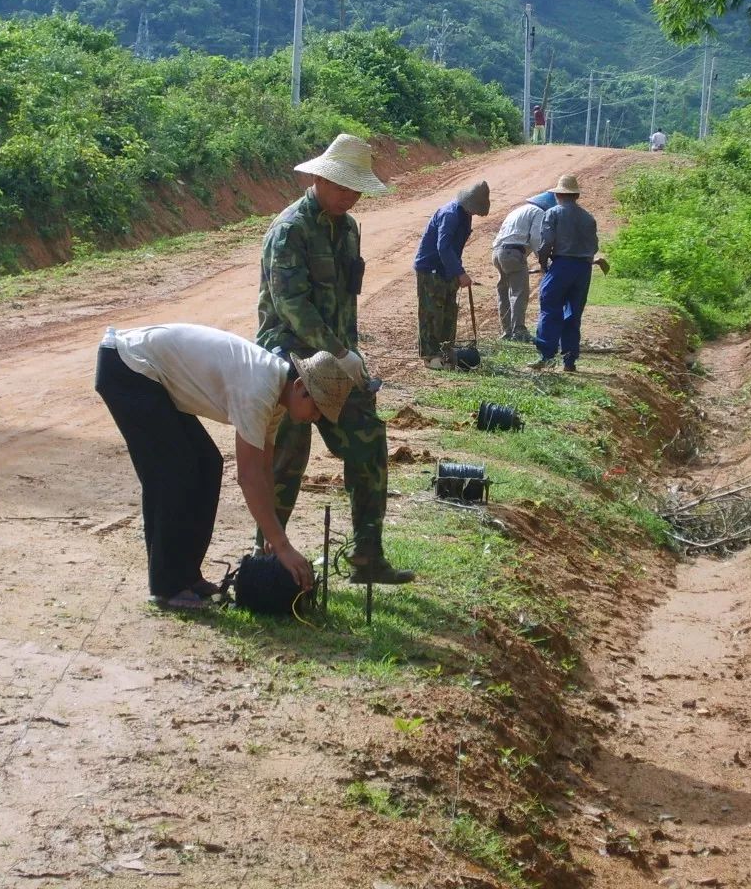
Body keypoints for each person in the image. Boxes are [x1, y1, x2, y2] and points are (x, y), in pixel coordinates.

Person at [96, 324, 352, 609]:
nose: (315, 418)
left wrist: (273, 533)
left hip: (145, 372)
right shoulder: (260, 388)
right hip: (128, 366)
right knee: (174, 472)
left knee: (207, 465)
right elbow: (248, 475)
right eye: (317, 409)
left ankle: (187, 578)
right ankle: (167, 587)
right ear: (301, 387)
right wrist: (282, 545)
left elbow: (265, 467)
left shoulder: (277, 398)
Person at [256, 134, 413, 585]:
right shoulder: (290, 231)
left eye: (355, 188)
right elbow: (291, 305)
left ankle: (368, 555)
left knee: (367, 444)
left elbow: (346, 302)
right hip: (289, 358)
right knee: (287, 459)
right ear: (320, 178)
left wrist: (350, 355)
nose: (349, 196)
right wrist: (340, 352)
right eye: (342, 186)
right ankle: (267, 561)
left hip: (338, 359)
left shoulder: (347, 229)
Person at [413, 180, 490, 368]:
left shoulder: (465, 215)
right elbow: (443, 247)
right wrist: (460, 272)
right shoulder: (450, 214)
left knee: (449, 312)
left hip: (448, 270)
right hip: (431, 270)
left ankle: (446, 351)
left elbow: (455, 248)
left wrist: (455, 271)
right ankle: (430, 356)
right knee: (432, 313)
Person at [528, 174, 599, 373]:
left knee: (550, 309)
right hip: (583, 268)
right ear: (575, 196)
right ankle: (569, 360)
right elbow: (594, 246)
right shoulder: (588, 217)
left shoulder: (553, 213)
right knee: (573, 314)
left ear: (558, 194)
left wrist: (543, 262)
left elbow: (547, 242)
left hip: (561, 265)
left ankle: (546, 355)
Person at [490, 191, 555, 342]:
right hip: (513, 253)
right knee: (519, 292)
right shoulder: (539, 213)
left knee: (504, 292)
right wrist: (544, 262)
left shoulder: (519, 210)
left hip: (498, 252)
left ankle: (507, 331)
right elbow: (536, 239)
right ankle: (518, 331)